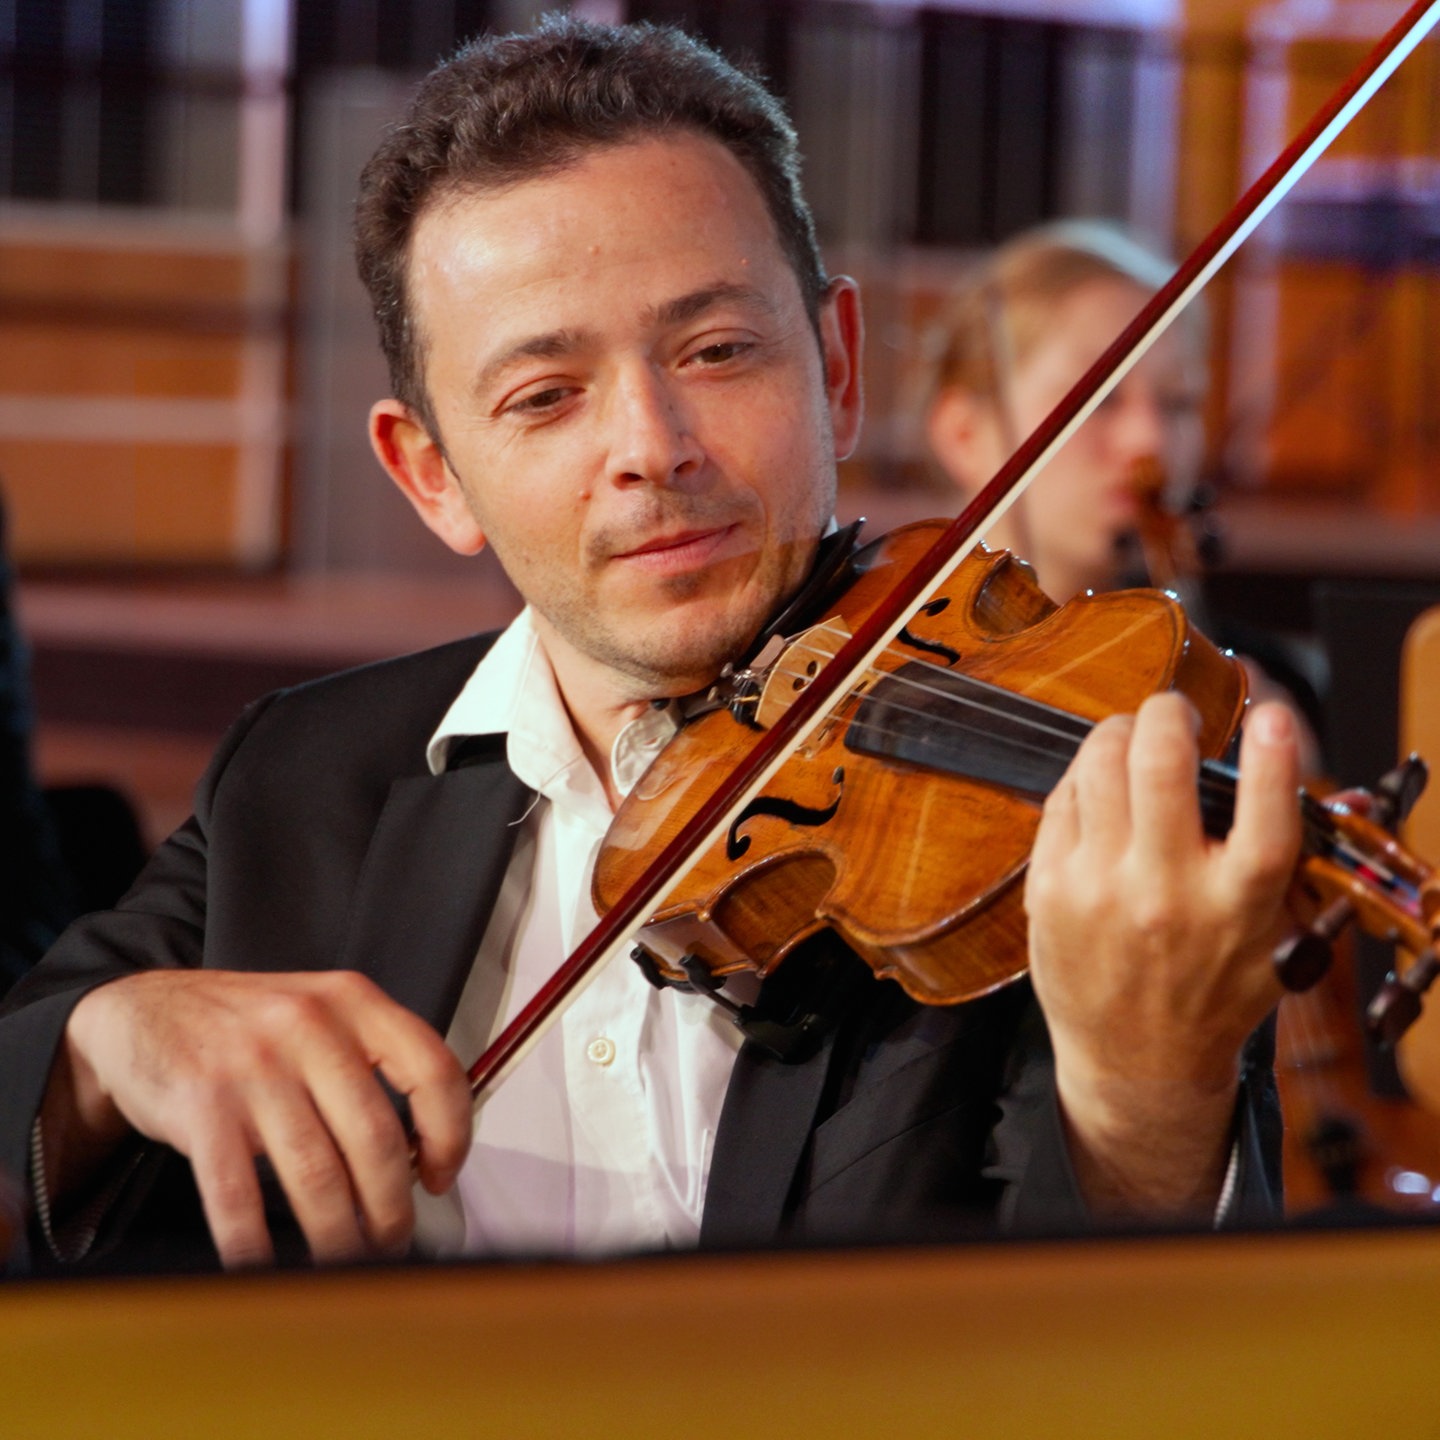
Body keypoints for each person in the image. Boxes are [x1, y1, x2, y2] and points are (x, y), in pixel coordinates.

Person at [0, 19, 1303, 1275]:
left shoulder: (1057, 813)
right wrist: (108, 1046)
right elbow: (27, 1067)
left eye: (718, 350)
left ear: (837, 367)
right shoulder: (300, 780)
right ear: (431, 473)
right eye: (545, 396)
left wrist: (1144, 1109)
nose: (652, 446)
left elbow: (1104, 1366)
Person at [922, 221, 1324, 770]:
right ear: (963, 433)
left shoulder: (1249, 683)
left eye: (1178, 401)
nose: (1150, 440)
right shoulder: (897, 666)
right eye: (1098, 399)